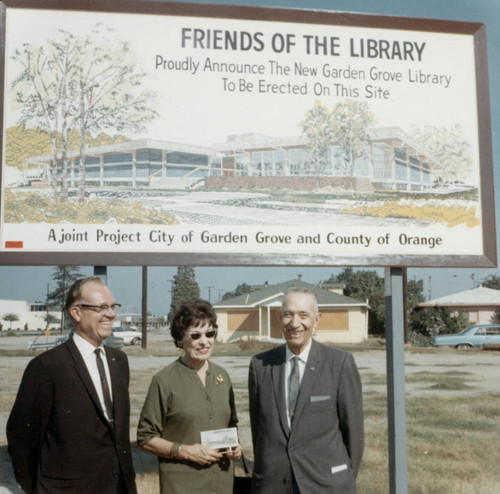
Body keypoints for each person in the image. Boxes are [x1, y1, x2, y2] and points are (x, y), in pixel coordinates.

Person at [7, 276, 137, 494]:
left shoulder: (119, 361)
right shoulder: (47, 366)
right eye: (102, 307)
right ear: (76, 312)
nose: (111, 314)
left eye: (113, 307)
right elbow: (22, 438)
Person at [249, 288, 364, 494]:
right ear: (278, 317)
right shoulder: (260, 365)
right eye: (288, 315)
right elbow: (259, 430)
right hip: (274, 484)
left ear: (317, 319)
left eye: (304, 315)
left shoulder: (339, 363)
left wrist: (343, 476)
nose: (295, 323)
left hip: (326, 484)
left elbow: (354, 433)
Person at [137, 299, 242, 494]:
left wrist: (235, 446)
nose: (204, 341)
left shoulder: (223, 377)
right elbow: (145, 438)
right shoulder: (164, 380)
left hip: (222, 485)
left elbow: (231, 425)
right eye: (195, 335)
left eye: (210, 333)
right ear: (180, 340)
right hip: (182, 486)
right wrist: (184, 451)